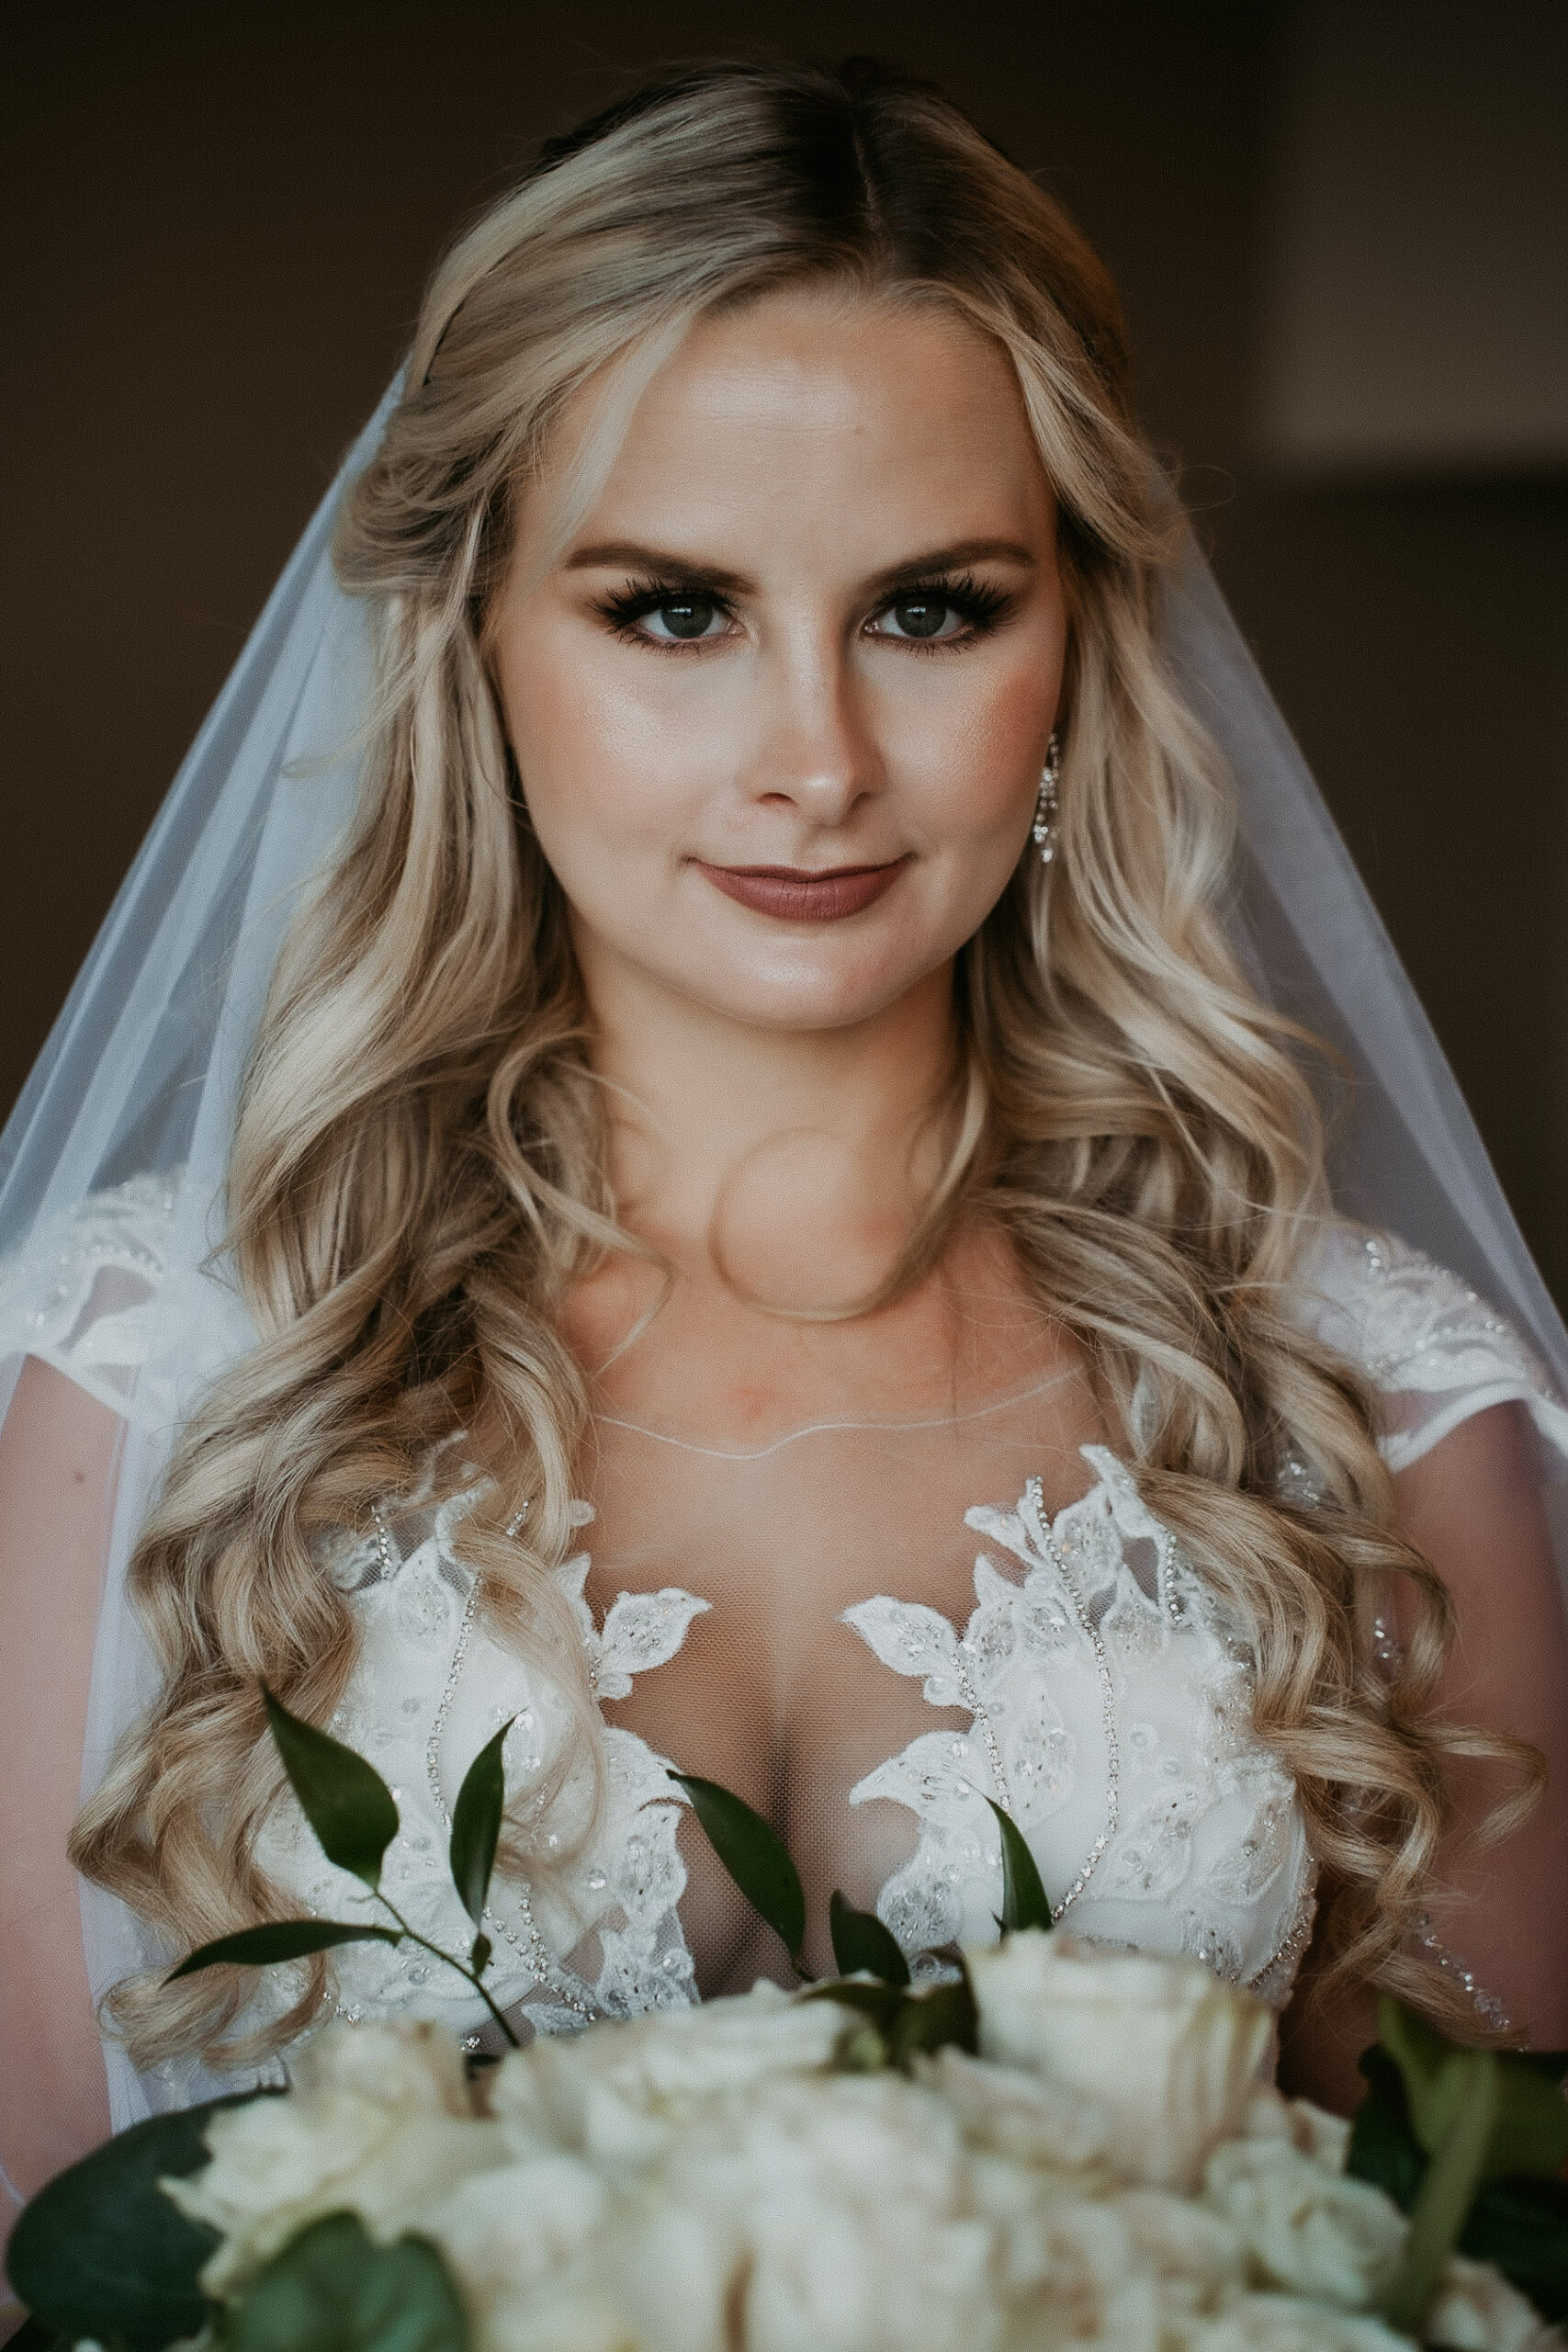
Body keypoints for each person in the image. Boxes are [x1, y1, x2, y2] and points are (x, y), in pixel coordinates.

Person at [2, 57, 1565, 2233]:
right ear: (475, 643)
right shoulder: (163, 1363)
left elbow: (1470, 2257)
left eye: (929, 608)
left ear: (1073, 650)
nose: (813, 760)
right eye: (672, 609)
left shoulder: (1372, 1411)